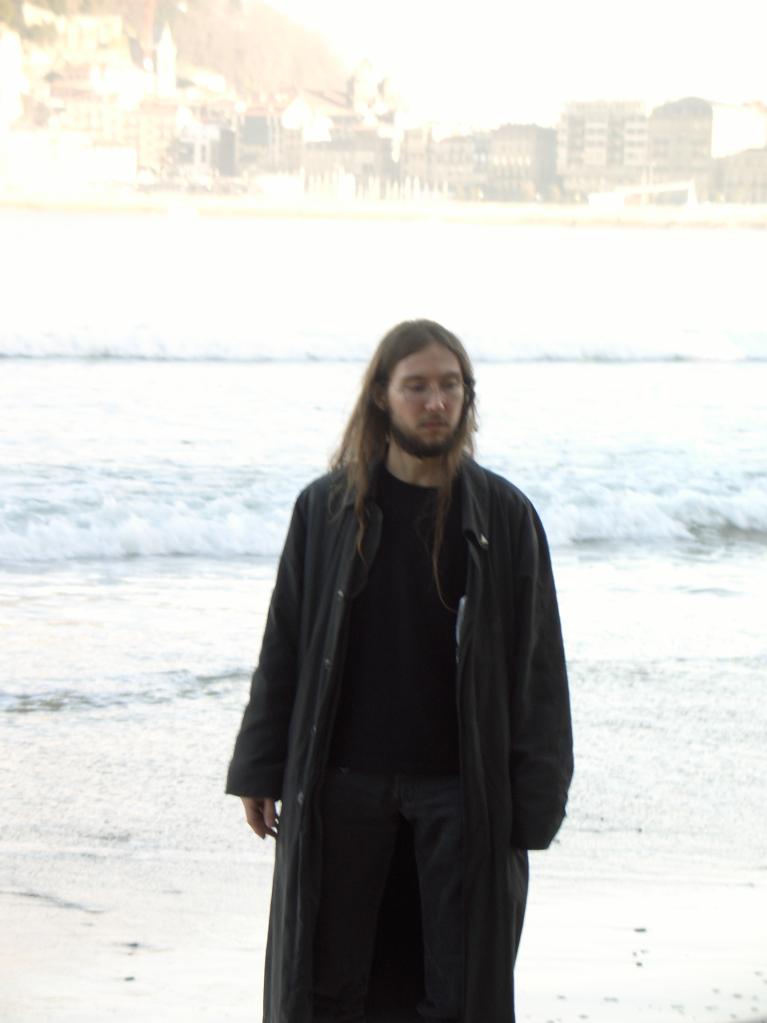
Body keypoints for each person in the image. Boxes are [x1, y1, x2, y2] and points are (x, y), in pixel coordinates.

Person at [226, 319, 574, 1023]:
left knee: (458, 991)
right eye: (416, 386)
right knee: (328, 989)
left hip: (461, 790)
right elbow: (285, 643)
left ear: (467, 396)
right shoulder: (326, 508)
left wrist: (535, 804)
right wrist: (259, 765)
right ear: (381, 396)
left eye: (450, 385)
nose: (435, 402)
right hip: (343, 783)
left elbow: (538, 671)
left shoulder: (504, 517)